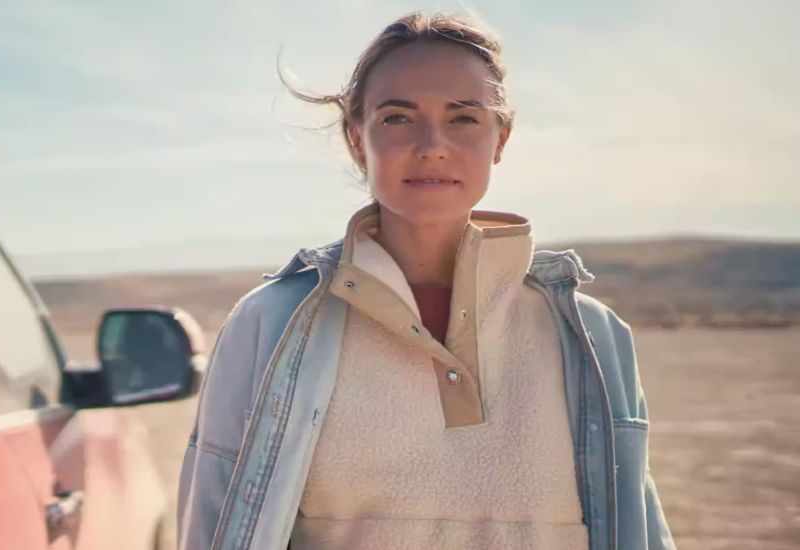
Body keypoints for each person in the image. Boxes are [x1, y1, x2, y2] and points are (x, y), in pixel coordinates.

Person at [176, 11, 674, 550]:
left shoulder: (592, 336)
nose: (433, 144)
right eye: (397, 118)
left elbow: (637, 529)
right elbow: (214, 527)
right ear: (356, 138)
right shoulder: (271, 323)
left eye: (463, 118)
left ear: (500, 138)